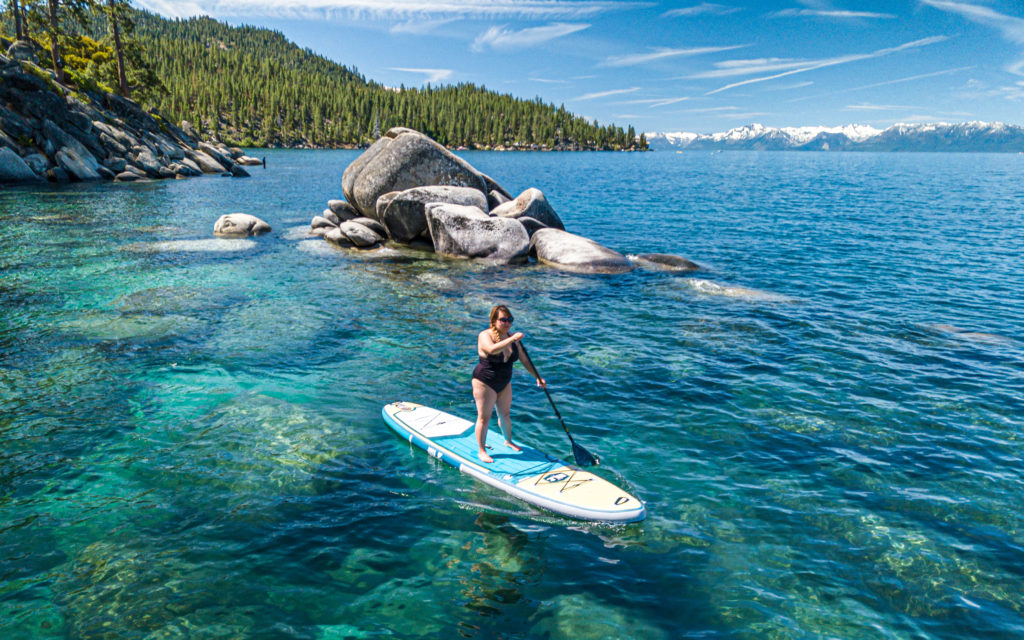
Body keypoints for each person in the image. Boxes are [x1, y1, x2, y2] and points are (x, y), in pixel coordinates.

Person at [471, 305, 545, 463]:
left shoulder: (513, 339)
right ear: (494, 321)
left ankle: (508, 441)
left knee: (505, 415)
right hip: (485, 381)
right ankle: (482, 450)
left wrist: (537, 377)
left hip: (504, 381)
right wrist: (512, 339)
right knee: (484, 418)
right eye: (503, 320)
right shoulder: (485, 335)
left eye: (509, 320)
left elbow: (525, 360)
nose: (507, 323)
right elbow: (491, 350)